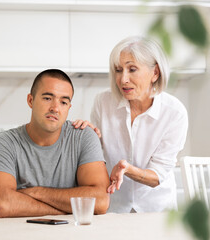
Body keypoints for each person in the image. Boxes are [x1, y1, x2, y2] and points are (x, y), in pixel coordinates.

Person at [73, 36, 188, 213]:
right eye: (118, 70)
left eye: (132, 69)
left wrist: (127, 169)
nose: (123, 79)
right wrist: (87, 135)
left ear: (155, 73)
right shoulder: (103, 102)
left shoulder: (174, 112)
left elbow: (158, 175)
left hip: (156, 210)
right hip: (115, 208)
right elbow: (96, 153)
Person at [0, 69, 110, 218]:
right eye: (47, 98)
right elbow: (3, 204)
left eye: (63, 102)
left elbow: (101, 201)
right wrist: (71, 209)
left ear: (69, 107)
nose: (55, 108)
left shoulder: (84, 136)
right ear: (30, 101)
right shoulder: (4, 142)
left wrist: (35, 192)